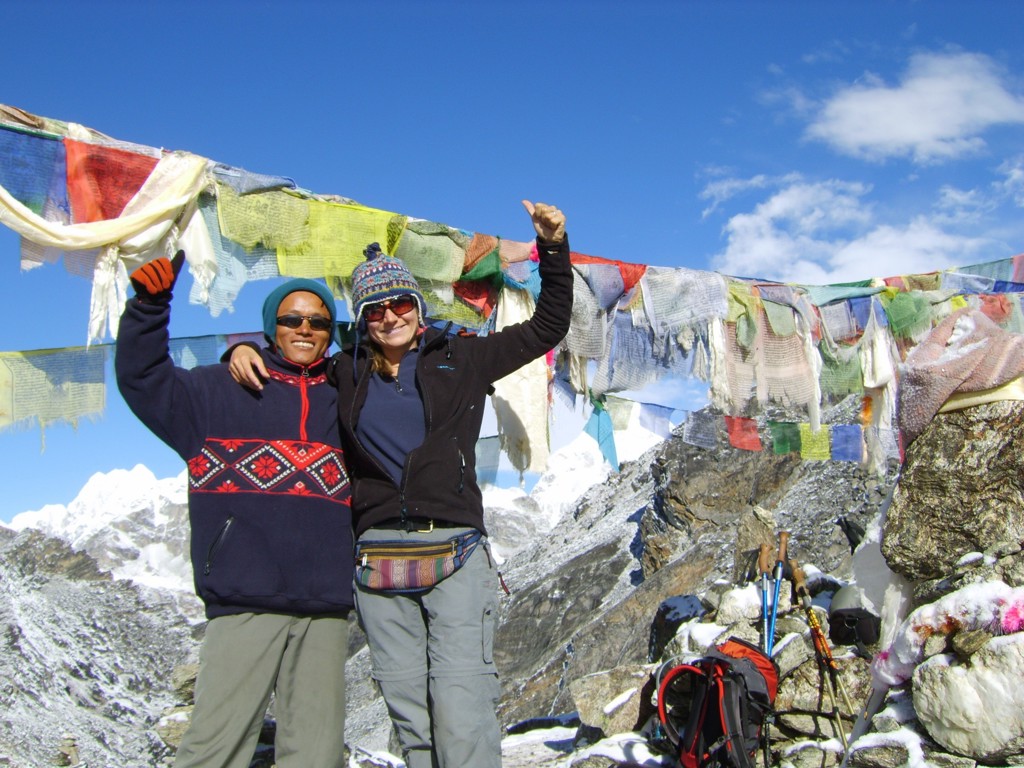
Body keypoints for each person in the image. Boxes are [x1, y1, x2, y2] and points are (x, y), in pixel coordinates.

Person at [228, 200, 573, 768]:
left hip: (456, 554)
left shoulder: (463, 357)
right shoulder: (341, 372)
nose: (390, 316)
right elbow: (290, 357)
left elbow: (548, 325)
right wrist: (241, 347)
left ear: (416, 304)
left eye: (399, 303)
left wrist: (553, 248)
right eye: (375, 309)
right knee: (411, 719)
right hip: (376, 564)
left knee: (462, 712)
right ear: (362, 319)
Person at [115, 251, 353, 768]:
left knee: (316, 756)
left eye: (318, 321)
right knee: (214, 751)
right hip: (245, 599)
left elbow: (394, 354)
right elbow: (143, 379)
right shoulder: (214, 392)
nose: (305, 328)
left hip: (326, 608)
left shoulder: (349, 398)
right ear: (271, 326)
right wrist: (149, 308)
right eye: (291, 319)